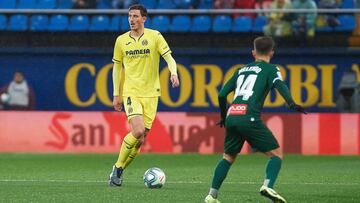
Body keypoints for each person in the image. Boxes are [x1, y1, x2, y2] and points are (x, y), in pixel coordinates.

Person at [204, 36, 306, 203]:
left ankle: (211, 196)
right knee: (276, 155)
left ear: (253, 53)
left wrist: (224, 116)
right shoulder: (271, 69)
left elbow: (222, 94)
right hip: (249, 117)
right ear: (272, 53)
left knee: (228, 157)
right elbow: (279, 84)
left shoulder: (240, 70)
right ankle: (268, 186)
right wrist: (291, 103)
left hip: (232, 115)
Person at [108, 4, 180, 186]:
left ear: (144, 18)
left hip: (151, 94)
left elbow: (169, 57)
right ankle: (117, 167)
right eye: (129, 16)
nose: (131, 20)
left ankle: (120, 170)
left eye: (135, 16)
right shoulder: (121, 41)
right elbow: (117, 67)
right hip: (131, 92)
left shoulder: (154, 36)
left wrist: (173, 72)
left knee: (140, 139)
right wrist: (116, 93)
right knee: (138, 130)